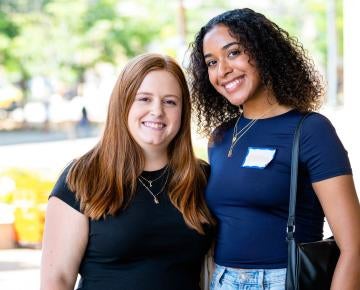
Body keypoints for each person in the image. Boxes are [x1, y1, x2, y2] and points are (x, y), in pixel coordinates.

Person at [188, 8, 360, 290]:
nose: (223, 70)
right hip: (221, 280)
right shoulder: (221, 138)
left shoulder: (310, 130)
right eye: (211, 62)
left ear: (262, 50)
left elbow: (353, 247)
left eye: (233, 53)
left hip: (283, 280)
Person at [40, 53, 215, 290]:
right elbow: (57, 279)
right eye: (144, 99)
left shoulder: (201, 178)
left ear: (183, 112)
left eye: (170, 101)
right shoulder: (82, 177)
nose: (157, 111)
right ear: (123, 102)